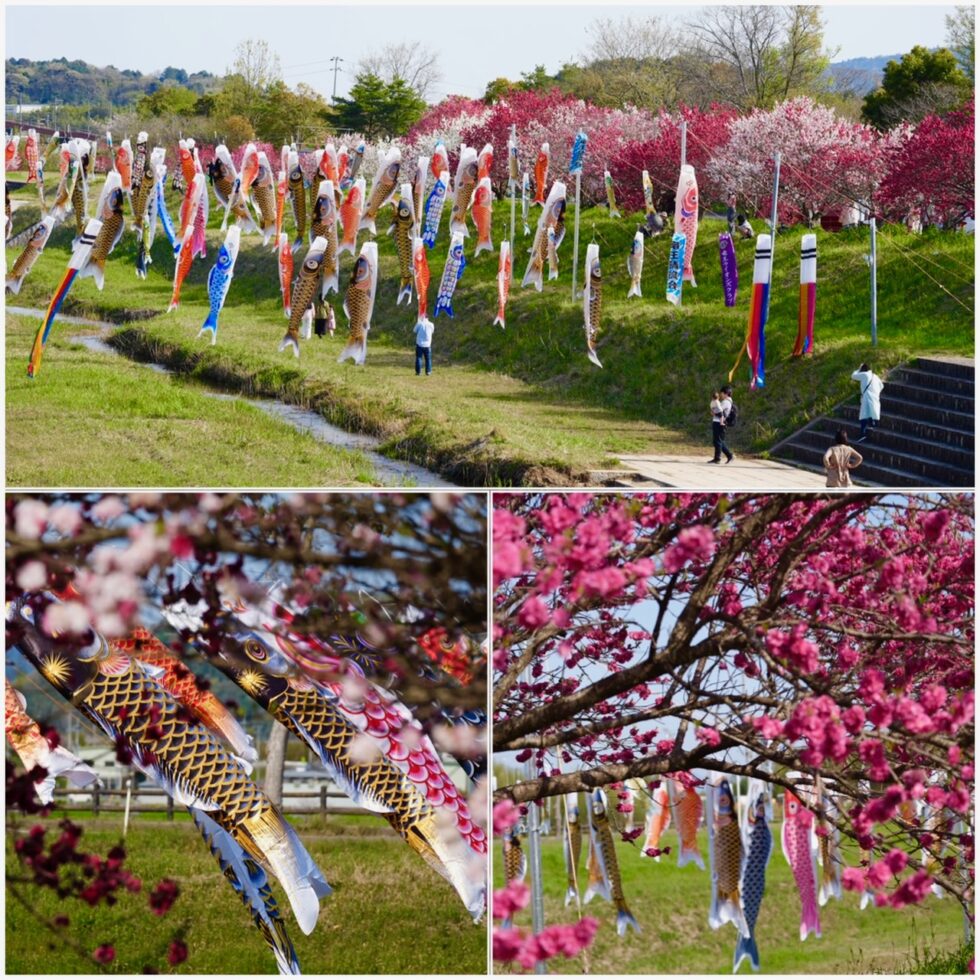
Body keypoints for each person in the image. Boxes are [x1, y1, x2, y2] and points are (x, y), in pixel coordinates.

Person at [851, 363, 884, 441]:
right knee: (871, 412)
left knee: (864, 415)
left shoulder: (864, 375)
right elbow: (881, 386)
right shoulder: (875, 376)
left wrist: (858, 369)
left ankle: (863, 433)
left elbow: (853, 376)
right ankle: (872, 424)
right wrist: (876, 393)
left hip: (867, 397)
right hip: (875, 397)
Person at [708, 384, 734, 464]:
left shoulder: (726, 402)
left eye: (721, 393)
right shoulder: (726, 401)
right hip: (718, 422)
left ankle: (719, 458)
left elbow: (717, 411)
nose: (720, 395)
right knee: (718, 441)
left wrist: (713, 411)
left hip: (719, 423)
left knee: (718, 441)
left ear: (725, 393)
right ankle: (726, 456)